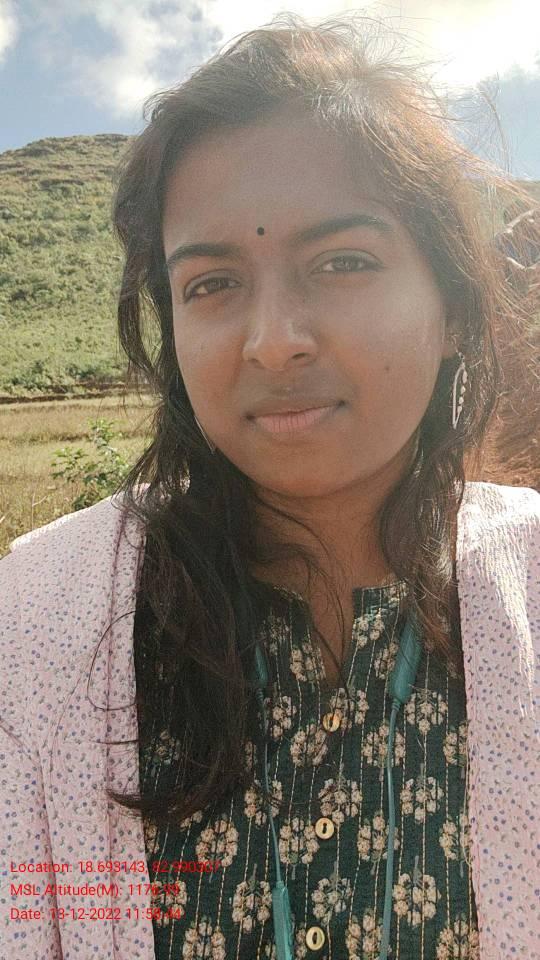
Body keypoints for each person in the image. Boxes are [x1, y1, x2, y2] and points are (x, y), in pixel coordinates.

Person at [1, 14, 539, 960]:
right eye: (211, 283)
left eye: (343, 262)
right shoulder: (36, 628)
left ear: (454, 306)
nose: (274, 340)